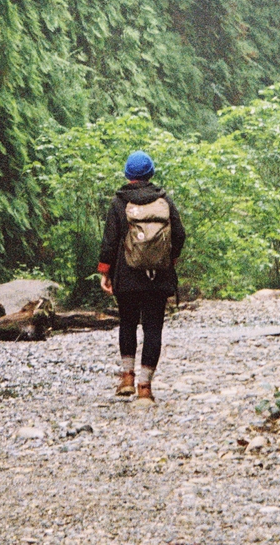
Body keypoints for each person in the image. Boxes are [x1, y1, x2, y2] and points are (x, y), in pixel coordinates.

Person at [97, 150, 185, 402]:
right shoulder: (164, 201)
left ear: (127, 175)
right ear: (151, 173)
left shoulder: (119, 202)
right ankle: (145, 388)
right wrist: (169, 260)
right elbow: (179, 235)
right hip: (158, 276)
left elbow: (110, 242)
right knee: (153, 328)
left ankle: (127, 377)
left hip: (126, 275)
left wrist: (106, 271)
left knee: (127, 323)